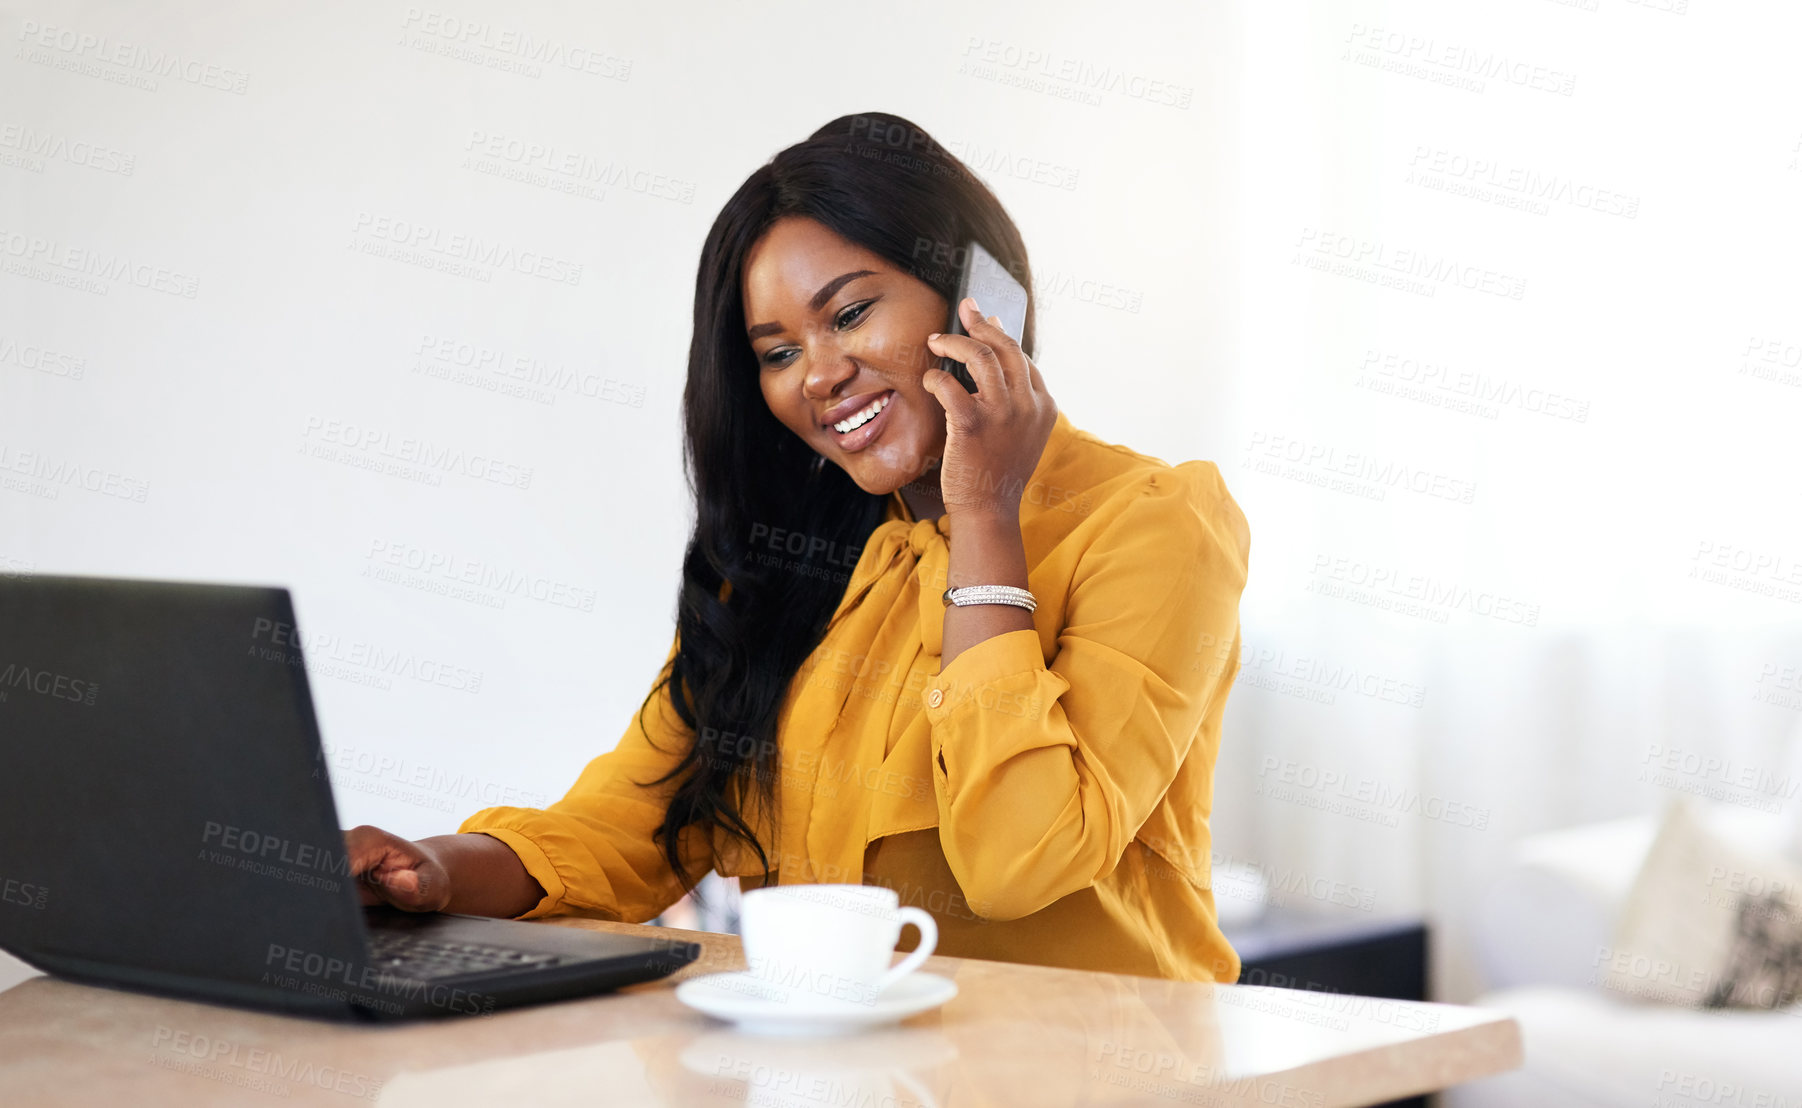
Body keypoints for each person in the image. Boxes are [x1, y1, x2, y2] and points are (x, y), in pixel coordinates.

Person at [343, 111, 1251, 983]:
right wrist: (437, 869)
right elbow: (632, 820)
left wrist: (983, 515)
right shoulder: (789, 560)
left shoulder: (1154, 523)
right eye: (776, 354)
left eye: (850, 315)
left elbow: (1021, 860)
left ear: (982, 303)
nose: (818, 375)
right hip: (843, 1070)